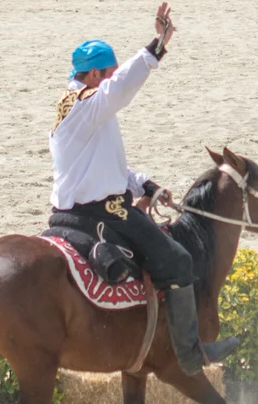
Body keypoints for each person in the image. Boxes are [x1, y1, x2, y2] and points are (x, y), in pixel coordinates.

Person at [50, 3, 236, 375]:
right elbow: (120, 89)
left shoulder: (80, 110)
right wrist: (157, 46)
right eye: (108, 73)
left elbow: (106, 167)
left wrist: (144, 184)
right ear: (90, 76)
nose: (113, 78)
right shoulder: (86, 105)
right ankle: (189, 352)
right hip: (103, 214)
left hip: (78, 209)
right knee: (179, 260)